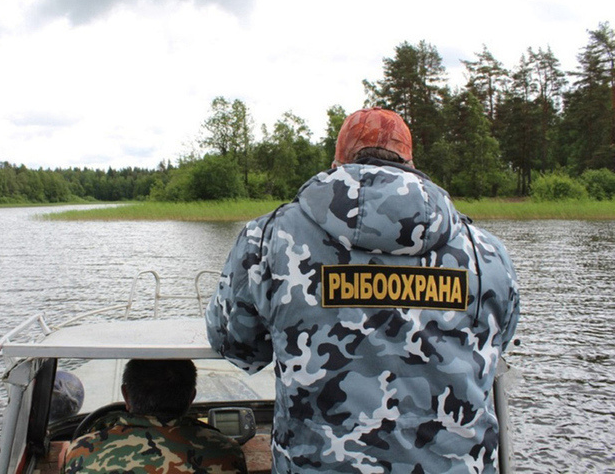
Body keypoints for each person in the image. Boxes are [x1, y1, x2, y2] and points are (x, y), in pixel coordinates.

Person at [205, 107, 520, 473]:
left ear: (338, 161)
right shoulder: (486, 253)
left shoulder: (267, 239)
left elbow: (235, 344)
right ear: (410, 162)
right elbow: (496, 345)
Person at [62, 359, 247, 473]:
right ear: (191, 398)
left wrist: (69, 454)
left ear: (126, 395)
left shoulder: (81, 452)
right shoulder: (227, 451)